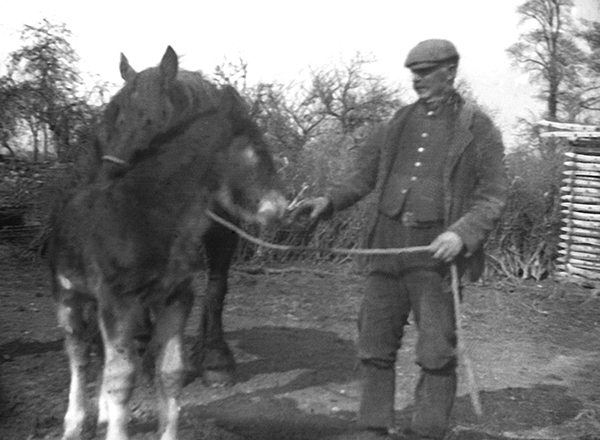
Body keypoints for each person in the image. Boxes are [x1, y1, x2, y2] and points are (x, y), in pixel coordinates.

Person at [294, 39, 508, 439]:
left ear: (451, 71)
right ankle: (374, 428)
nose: (417, 81)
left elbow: (493, 195)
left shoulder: (478, 129)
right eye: (414, 73)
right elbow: (362, 177)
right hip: (387, 250)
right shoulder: (397, 122)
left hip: (436, 258)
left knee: (436, 352)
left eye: (426, 73)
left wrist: (461, 235)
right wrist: (328, 200)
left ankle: (427, 432)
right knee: (374, 346)